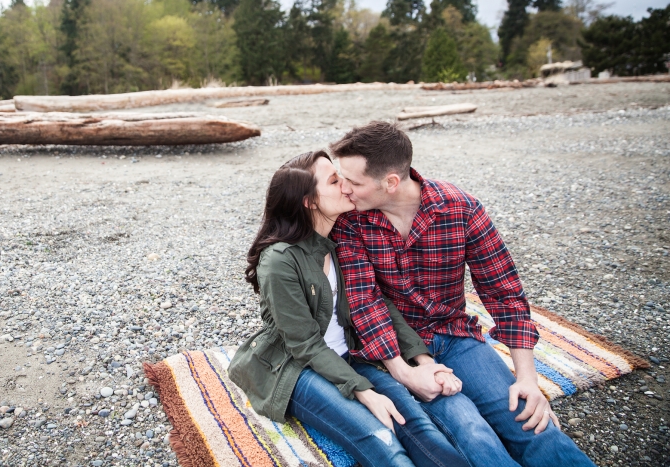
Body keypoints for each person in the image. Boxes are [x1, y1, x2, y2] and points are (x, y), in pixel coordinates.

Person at [329, 121, 597, 467]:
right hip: (397, 347)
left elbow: (505, 293)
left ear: (391, 183)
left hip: (457, 336)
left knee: (531, 424)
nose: (344, 190)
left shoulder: (461, 209)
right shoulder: (351, 221)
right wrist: (406, 372)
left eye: (354, 182)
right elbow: (364, 301)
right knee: (472, 432)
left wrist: (528, 378)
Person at [227, 151, 471, 467]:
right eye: (334, 180)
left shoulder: (341, 239)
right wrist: (365, 392)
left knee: (420, 428)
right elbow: (304, 345)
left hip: (349, 357)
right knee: (382, 441)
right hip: (296, 368)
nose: (346, 184)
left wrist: (420, 358)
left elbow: (375, 300)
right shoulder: (280, 261)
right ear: (309, 201)